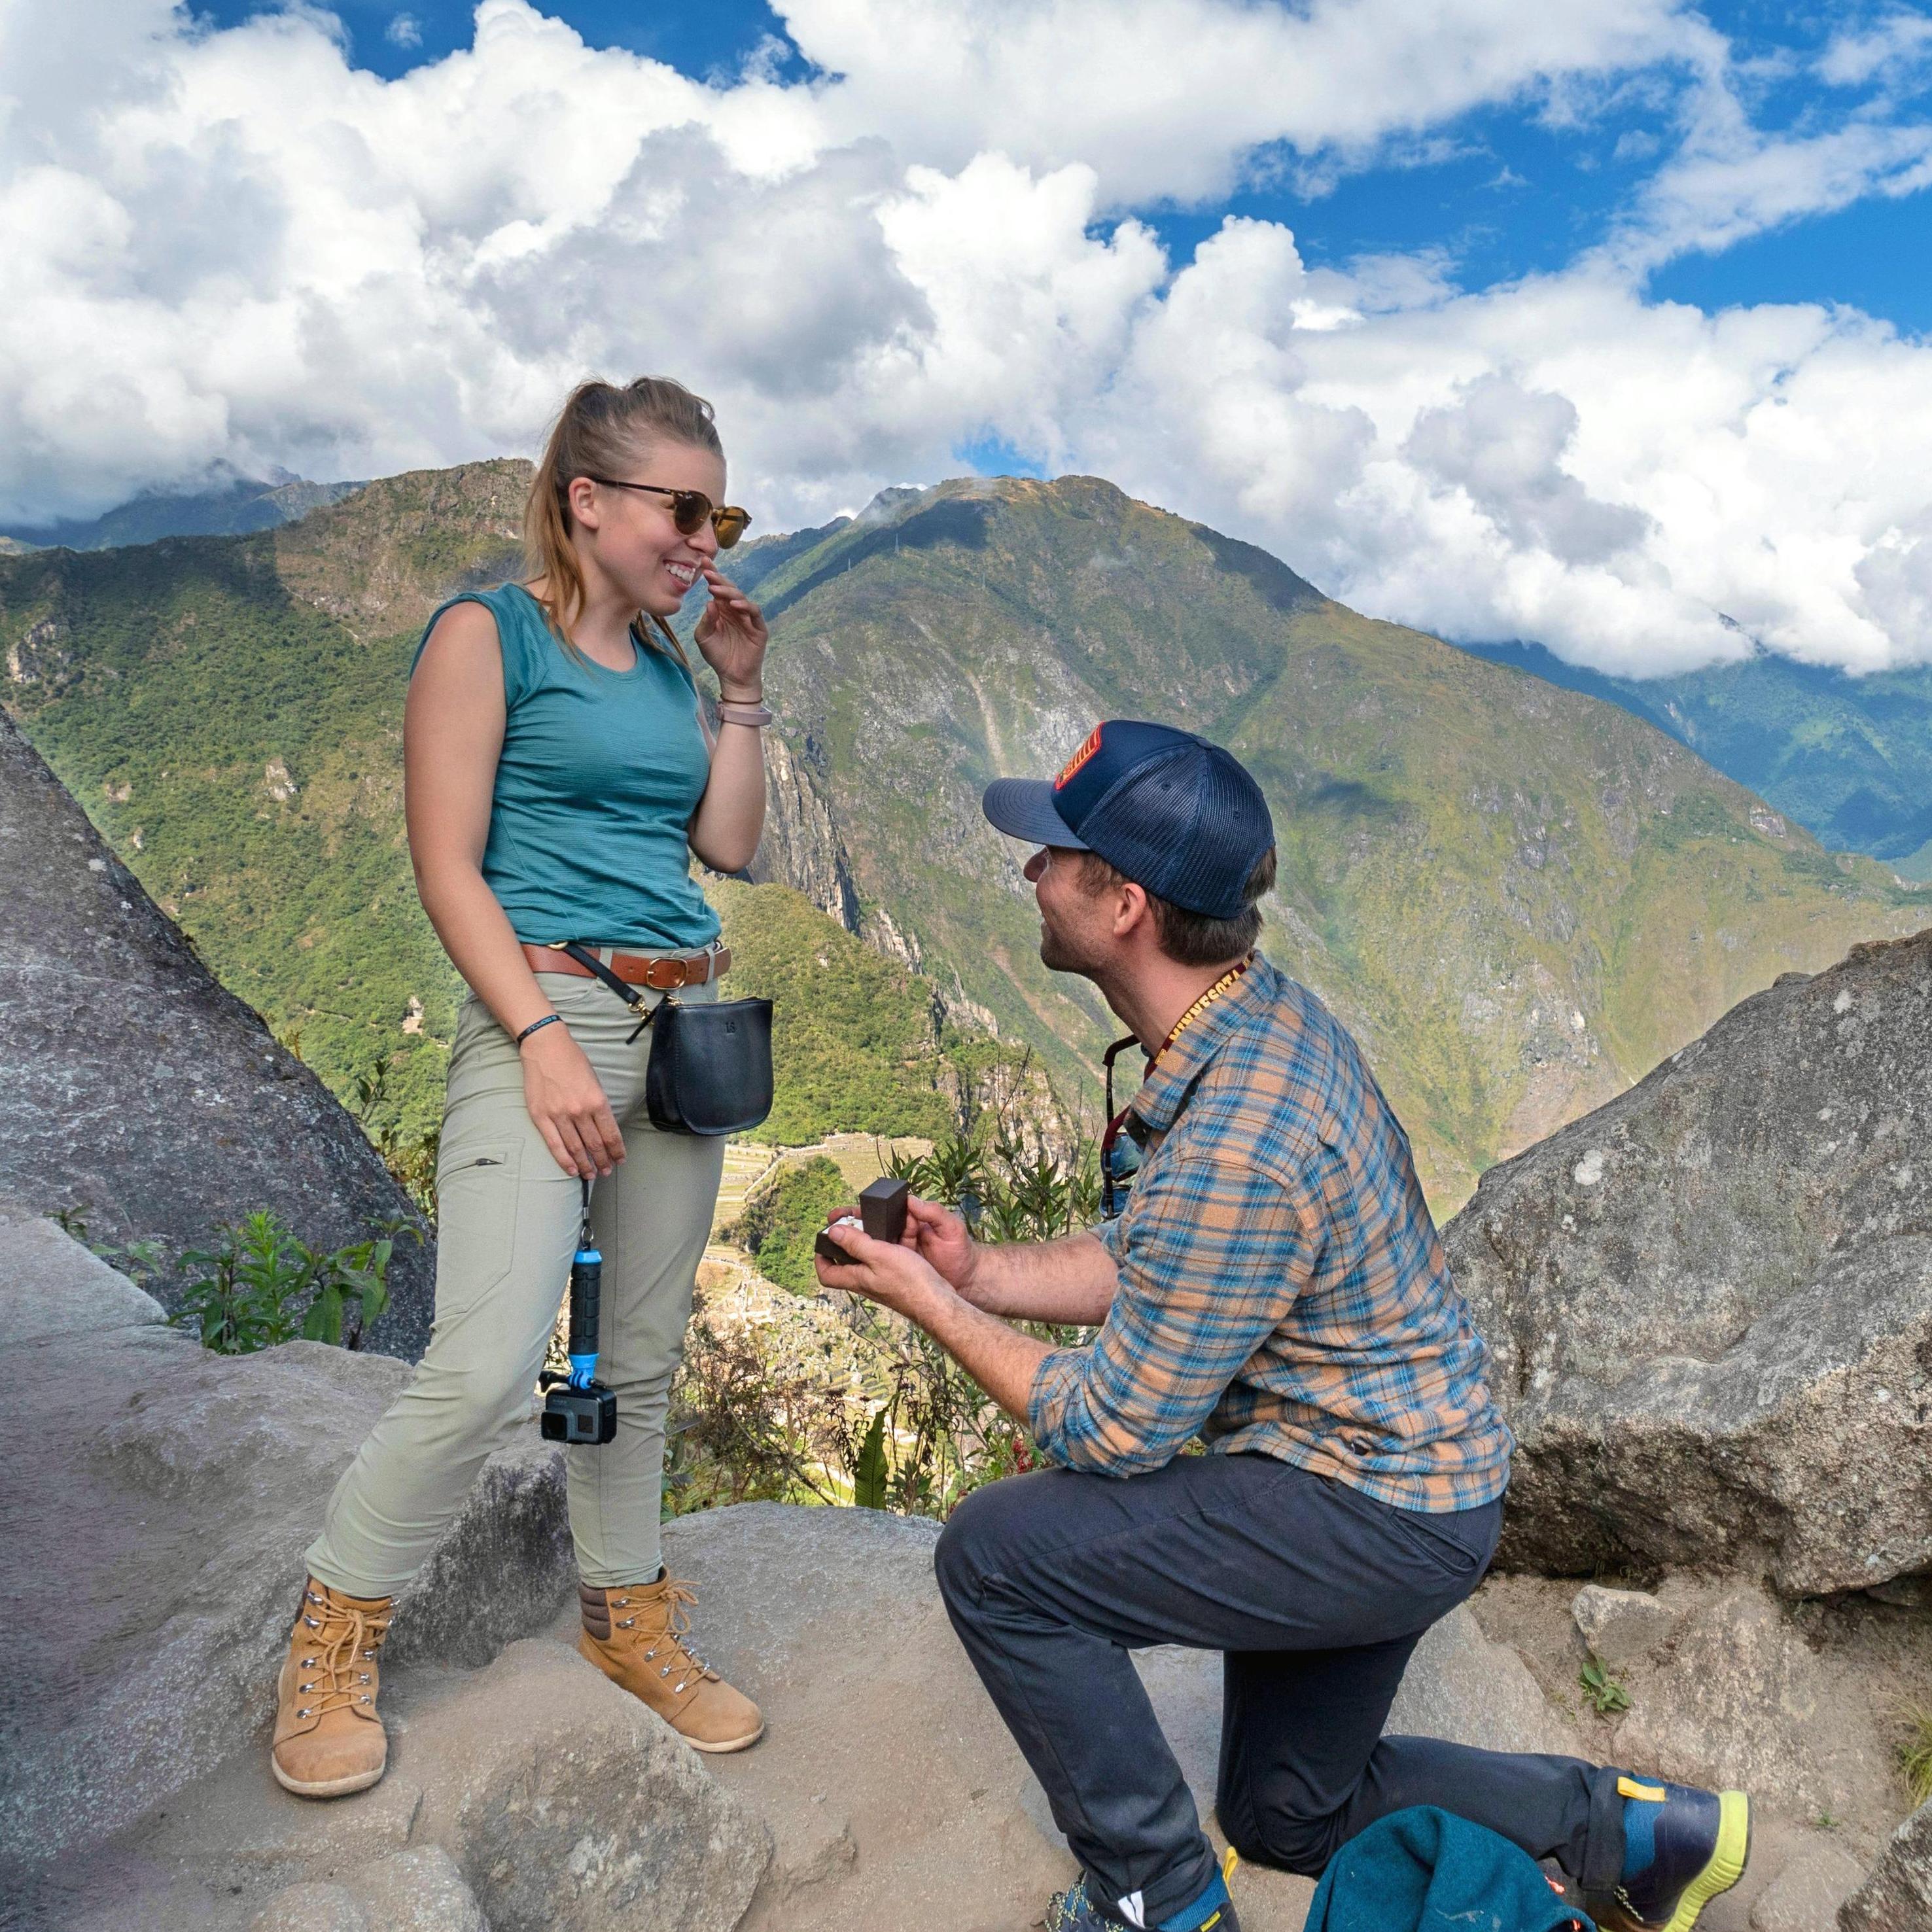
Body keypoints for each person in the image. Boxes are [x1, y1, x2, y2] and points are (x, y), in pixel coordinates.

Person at [817, 719, 1751, 1932]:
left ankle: (1160, 1897)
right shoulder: (1248, 1020)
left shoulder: (1242, 1138)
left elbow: (1111, 1430)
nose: (1031, 872)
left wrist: (929, 1304)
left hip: (1369, 1505)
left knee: (996, 1555)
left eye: (1054, 855)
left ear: (1125, 906)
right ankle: (1642, 1834)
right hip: (1406, 1477)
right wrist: (979, 1269)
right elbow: (1167, 1255)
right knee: (1285, 1815)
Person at [272, 376, 774, 1799]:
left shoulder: (672, 668)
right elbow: (447, 865)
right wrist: (541, 1039)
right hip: (538, 1016)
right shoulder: (486, 636)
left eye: (723, 515)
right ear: (587, 500)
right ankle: (334, 1625)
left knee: (641, 1353)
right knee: (491, 1354)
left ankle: (624, 1614)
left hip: (678, 1033)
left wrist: (740, 690)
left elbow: (728, 846)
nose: (706, 538)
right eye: (686, 508)